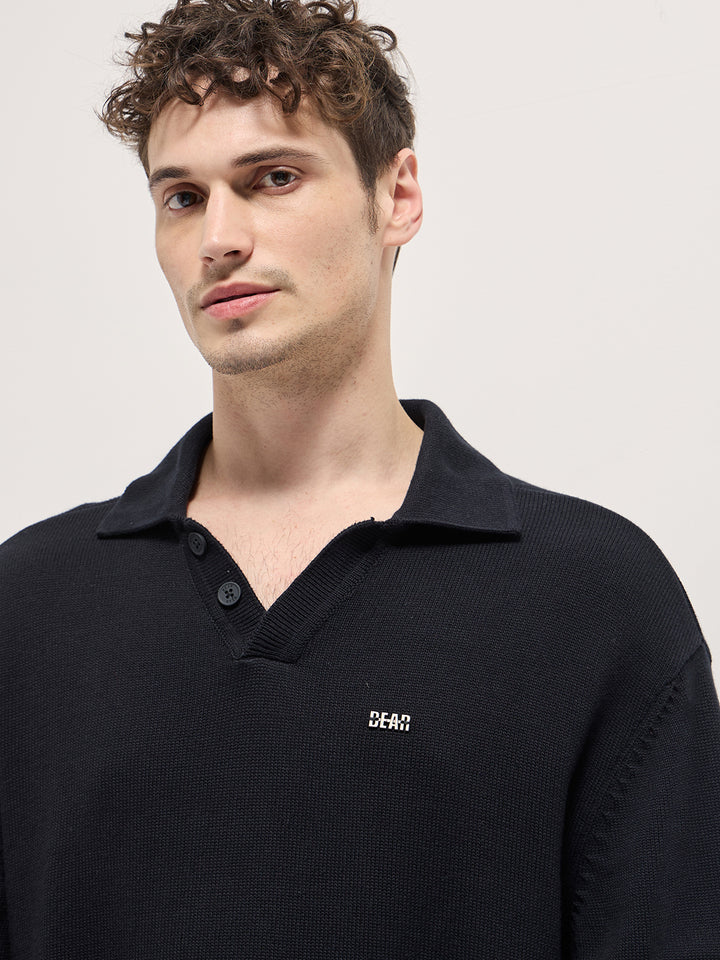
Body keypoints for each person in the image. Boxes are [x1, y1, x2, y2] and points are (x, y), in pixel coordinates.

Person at [0, 0, 718, 955]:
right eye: (183, 197)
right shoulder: (28, 604)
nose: (219, 237)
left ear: (397, 197)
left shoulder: (594, 600)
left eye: (274, 178)